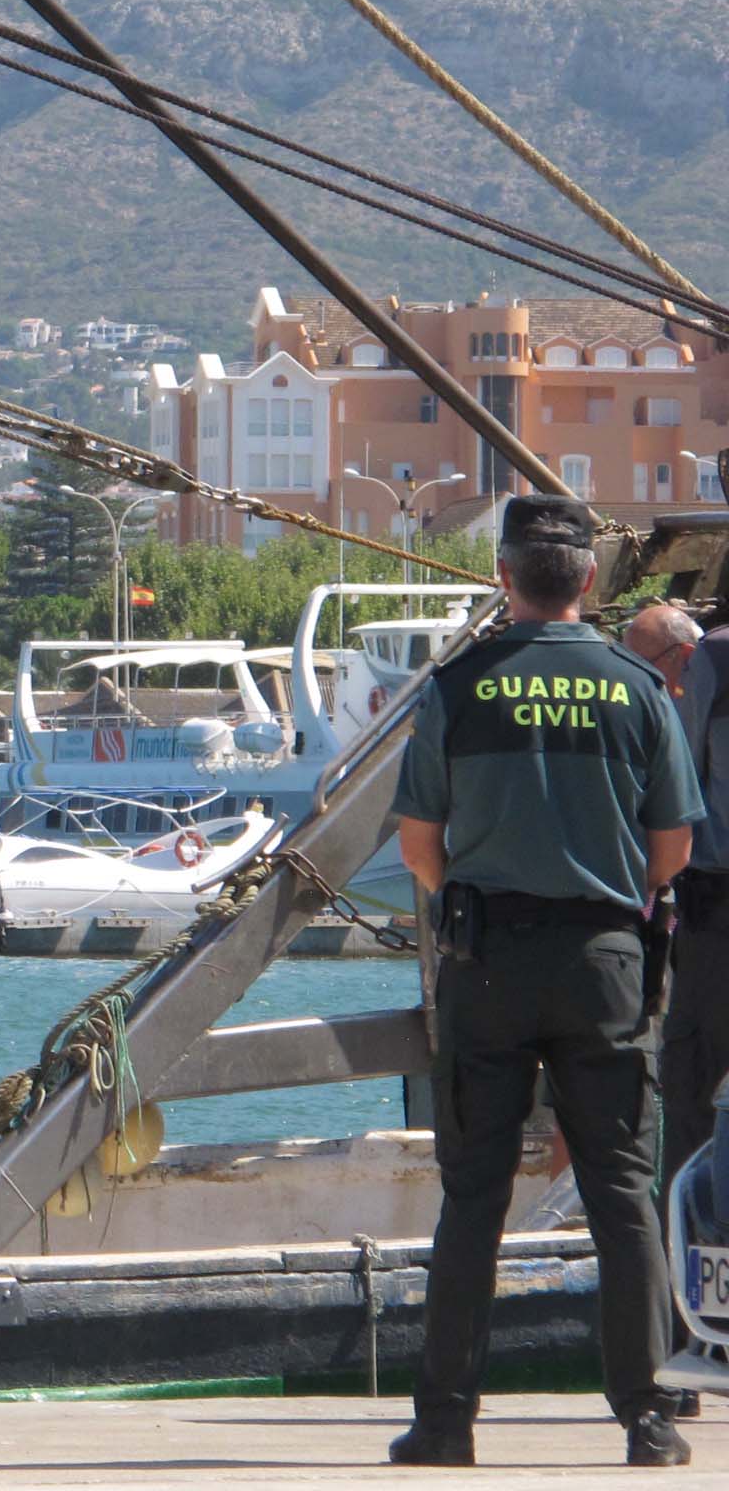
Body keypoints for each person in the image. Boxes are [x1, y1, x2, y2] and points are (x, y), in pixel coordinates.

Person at [391, 495, 698, 1469]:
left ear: (501, 577)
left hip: (487, 960)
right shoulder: (635, 688)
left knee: (471, 1196)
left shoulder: (456, 686)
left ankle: (443, 1420)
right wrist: (608, 901)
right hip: (604, 959)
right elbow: (672, 846)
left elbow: (415, 842)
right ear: (591, 582)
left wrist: (472, 905)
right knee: (620, 1192)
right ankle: (646, 1415)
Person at [627, 602, 729, 1205]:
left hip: (719, 924)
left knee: (693, 1086)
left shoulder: (712, 657)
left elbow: (673, 791)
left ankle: (689, 1267)